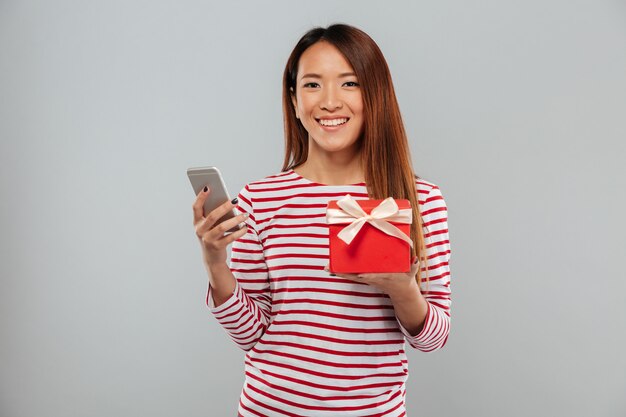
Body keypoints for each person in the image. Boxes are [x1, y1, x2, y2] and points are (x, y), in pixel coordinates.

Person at [192, 23, 451, 417]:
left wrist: (403, 289)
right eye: (312, 85)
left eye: (349, 84)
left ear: (375, 95)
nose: (330, 102)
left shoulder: (418, 200)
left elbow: (433, 339)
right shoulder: (260, 199)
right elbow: (251, 333)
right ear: (294, 100)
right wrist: (215, 264)